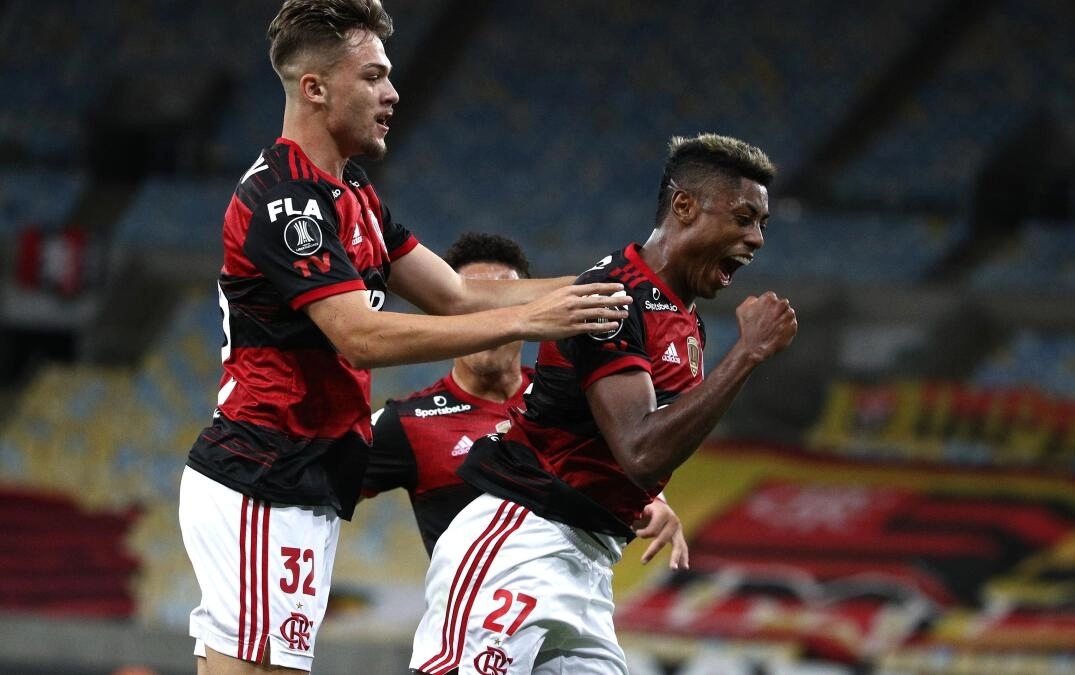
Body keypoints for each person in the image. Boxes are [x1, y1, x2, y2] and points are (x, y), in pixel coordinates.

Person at [177, 2, 629, 674]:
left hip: (300, 475)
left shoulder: (351, 192)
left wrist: (593, 288)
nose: (393, 93)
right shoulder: (285, 201)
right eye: (374, 76)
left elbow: (453, 292)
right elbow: (358, 335)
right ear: (316, 88)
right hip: (262, 471)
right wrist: (529, 321)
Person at [409, 133, 798, 675]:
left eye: (762, 224)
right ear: (684, 206)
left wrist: (649, 504)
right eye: (742, 217)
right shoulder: (610, 295)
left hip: (589, 561)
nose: (756, 238)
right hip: (522, 541)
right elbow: (640, 449)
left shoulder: (683, 318)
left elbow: (626, 455)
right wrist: (747, 355)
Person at [361, 232, 688, 567]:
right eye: (472, 309)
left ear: (535, 313)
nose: (486, 322)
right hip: (473, 609)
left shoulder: (569, 401)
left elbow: (622, 456)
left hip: (564, 599)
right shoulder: (408, 423)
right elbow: (318, 481)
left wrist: (656, 502)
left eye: (501, 307)